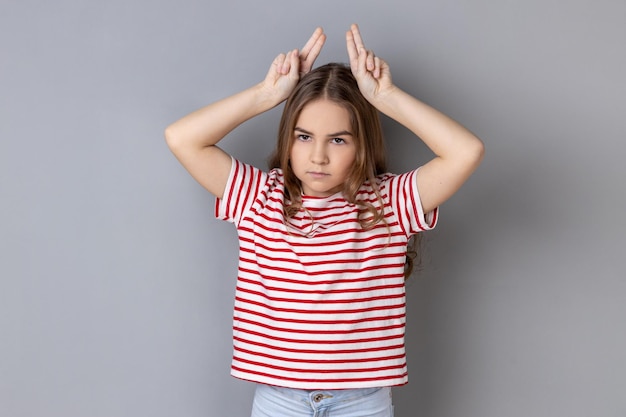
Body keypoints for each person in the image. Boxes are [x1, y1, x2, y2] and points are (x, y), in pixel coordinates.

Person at [165, 24, 484, 417]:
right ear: (288, 139)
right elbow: (182, 138)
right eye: (303, 137)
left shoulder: (387, 203)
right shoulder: (259, 197)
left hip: (362, 402)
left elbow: (465, 152)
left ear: (361, 144)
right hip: (279, 400)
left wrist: (386, 96)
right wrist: (265, 95)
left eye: (338, 139)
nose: (318, 156)